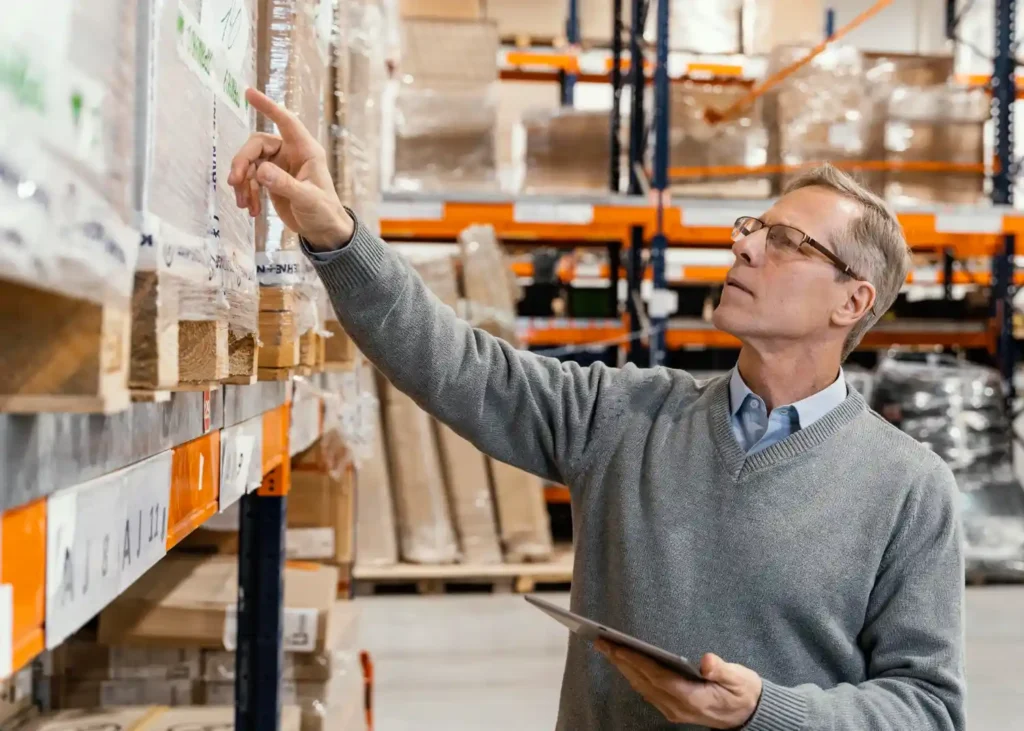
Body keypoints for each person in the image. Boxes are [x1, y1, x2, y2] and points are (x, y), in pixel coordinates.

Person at [230, 87, 965, 731]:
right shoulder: (626, 417)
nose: (744, 249)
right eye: (752, 228)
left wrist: (762, 711)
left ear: (852, 300)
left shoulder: (908, 487)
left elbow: (927, 708)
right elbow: (456, 364)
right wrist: (335, 235)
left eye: (786, 242)